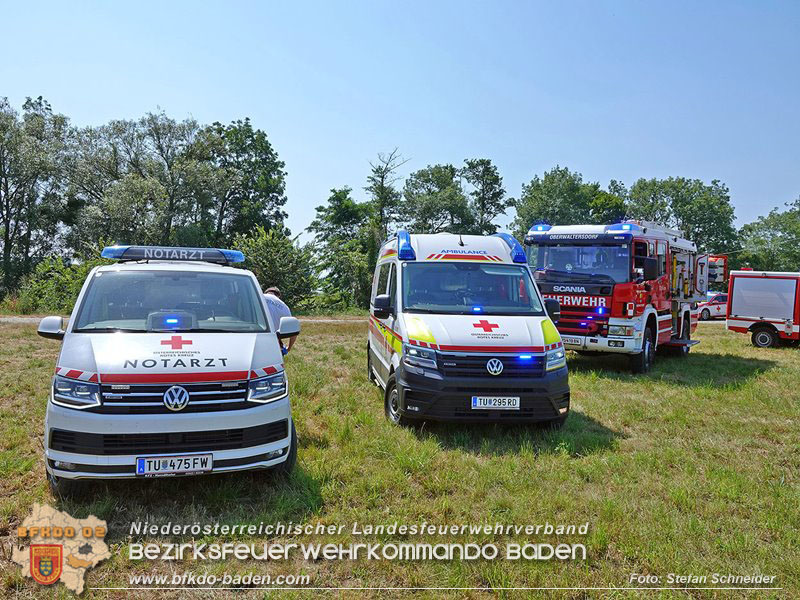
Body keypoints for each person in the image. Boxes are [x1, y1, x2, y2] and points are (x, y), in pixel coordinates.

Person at [263, 287, 297, 354]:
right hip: (274, 342)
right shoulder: (284, 307)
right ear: (278, 296)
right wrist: (289, 348)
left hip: (253, 338)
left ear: (266, 292)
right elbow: (293, 331)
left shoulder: (258, 298)